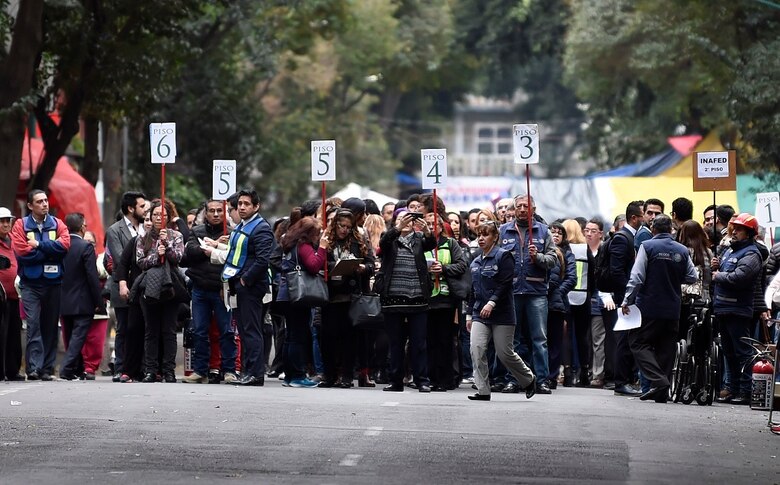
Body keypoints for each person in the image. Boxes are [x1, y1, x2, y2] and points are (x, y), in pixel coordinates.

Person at [620, 214, 697, 403]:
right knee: (666, 349)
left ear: (653, 229)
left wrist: (627, 300)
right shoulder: (682, 250)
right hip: (673, 308)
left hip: (649, 306)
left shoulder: (647, 246)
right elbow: (692, 276)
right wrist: (673, 276)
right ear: (671, 229)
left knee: (637, 343)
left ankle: (659, 381)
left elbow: (637, 277)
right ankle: (661, 393)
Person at [466, 222, 536, 401]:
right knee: (476, 349)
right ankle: (483, 390)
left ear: (495, 237)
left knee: (504, 353)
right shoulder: (475, 261)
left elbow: (505, 283)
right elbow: (473, 290)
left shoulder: (504, 256)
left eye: (485, 235)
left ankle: (528, 379)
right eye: (479, 235)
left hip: (502, 312)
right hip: (479, 313)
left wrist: (492, 303)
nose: (481, 238)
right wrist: (469, 314)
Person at [497, 194, 557, 394]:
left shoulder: (544, 231)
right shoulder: (503, 231)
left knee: (539, 339)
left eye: (526, 206)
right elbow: (495, 258)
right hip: (512, 292)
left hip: (536, 292)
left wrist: (537, 257)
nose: (522, 209)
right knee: (512, 340)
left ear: (533, 209)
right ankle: (514, 380)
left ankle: (542, 380)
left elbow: (553, 260)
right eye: (519, 206)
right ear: (513, 209)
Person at [11, 190, 71, 381]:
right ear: (30, 205)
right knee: (33, 325)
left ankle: (46, 369)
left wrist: (38, 245)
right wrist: (50, 252)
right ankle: (34, 368)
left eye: (45, 200)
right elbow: (22, 253)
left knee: (51, 326)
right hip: (31, 284)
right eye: (39, 201)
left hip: (54, 283)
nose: (45, 204)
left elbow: (64, 246)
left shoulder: (57, 223)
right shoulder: (20, 225)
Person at [377, 209, 436, 392]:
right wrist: (397, 228)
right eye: (403, 219)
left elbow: (431, 243)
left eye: (410, 219)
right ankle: (395, 381)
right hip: (393, 299)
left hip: (418, 298)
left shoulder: (419, 239)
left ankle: (422, 380)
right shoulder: (390, 238)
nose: (407, 222)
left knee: (419, 344)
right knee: (396, 343)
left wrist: (427, 231)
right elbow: (382, 244)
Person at [221, 189, 274, 386]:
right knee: (244, 330)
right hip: (238, 283)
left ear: (256, 206)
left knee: (252, 330)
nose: (242, 207)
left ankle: (255, 374)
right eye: (240, 204)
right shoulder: (242, 226)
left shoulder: (261, 228)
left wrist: (245, 279)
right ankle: (247, 371)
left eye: (246, 204)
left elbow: (262, 260)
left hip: (251, 286)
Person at [182, 199, 237, 384]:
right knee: (199, 331)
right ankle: (200, 370)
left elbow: (233, 258)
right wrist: (213, 246)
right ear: (205, 213)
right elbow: (190, 253)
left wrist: (214, 248)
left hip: (222, 289)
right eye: (211, 211)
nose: (215, 214)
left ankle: (229, 370)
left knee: (226, 331)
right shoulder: (196, 231)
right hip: (199, 289)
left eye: (219, 210)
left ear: (225, 212)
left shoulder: (232, 233)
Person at [319, 209, 375, 388]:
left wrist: (362, 268)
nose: (344, 230)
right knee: (328, 337)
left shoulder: (358, 241)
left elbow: (371, 263)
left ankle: (346, 376)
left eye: (348, 227)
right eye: (341, 226)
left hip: (351, 296)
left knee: (349, 338)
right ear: (335, 225)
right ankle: (329, 375)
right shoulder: (326, 240)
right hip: (330, 296)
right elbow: (318, 261)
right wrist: (332, 266)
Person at [712, 213, 763, 404]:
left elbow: (740, 277)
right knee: (729, 353)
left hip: (738, 311)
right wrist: (718, 266)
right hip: (723, 309)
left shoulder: (751, 255)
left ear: (749, 233)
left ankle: (745, 391)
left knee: (742, 353)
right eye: (734, 228)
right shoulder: (729, 251)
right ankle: (731, 389)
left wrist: (719, 275)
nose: (734, 232)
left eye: (739, 230)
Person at [135, 200, 185, 383]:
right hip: (150, 287)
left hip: (170, 285)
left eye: (163, 215)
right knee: (151, 330)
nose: (159, 218)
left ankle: (169, 370)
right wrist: (157, 255)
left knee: (169, 330)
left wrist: (168, 246)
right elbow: (141, 262)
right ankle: (150, 370)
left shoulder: (176, 236)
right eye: (155, 214)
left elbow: (178, 257)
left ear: (168, 217)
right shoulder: (143, 238)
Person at [424, 211, 468, 392]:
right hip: (426, 299)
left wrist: (443, 268)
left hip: (446, 299)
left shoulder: (450, 244)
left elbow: (461, 265)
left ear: (441, 226)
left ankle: (446, 379)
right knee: (429, 340)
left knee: (445, 340)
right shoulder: (421, 244)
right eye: (428, 224)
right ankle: (431, 378)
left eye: (434, 224)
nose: (431, 227)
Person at [105, 190, 146, 381]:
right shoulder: (114, 230)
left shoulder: (146, 227)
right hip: (124, 285)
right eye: (142, 206)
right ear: (131, 208)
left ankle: (142, 367)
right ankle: (120, 367)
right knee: (123, 328)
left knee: (142, 328)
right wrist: (146, 260)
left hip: (145, 286)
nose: (145, 210)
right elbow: (121, 258)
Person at [59, 213, 104, 380]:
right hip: (83, 300)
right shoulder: (86, 247)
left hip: (63, 298)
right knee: (78, 337)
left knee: (70, 336)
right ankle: (66, 368)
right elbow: (92, 276)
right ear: (82, 227)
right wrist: (98, 301)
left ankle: (77, 369)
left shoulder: (60, 245)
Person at [606, 201, 644, 397]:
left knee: (629, 339)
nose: (646, 219)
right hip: (625, 298)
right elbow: (617, 271)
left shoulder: (631, 236)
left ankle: (626, 380)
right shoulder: (623, 238)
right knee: (624, 339)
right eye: (643, 215)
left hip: (627, 296)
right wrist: (626, 296)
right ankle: (621, 382)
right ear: (634, 218)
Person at [546, 222, 577, 390]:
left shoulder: (567, 254)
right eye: (552, 232)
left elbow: (572, 279)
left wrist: (558, 292)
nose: (556, 235)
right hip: (540, 300)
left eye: (559, 233)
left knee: (555, 341)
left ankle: (551, 377)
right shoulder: (542, 251)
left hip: (557, 304)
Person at [0, 207, 23, 381]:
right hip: (0, 297)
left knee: (14, 333)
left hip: (15, 295)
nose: (6, 224)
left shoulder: (15, 239)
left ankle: (12, 370)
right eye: (2, 221)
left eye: (8, 221)